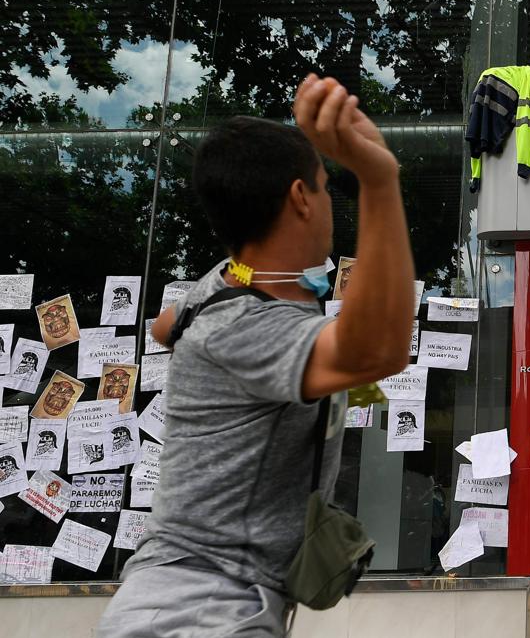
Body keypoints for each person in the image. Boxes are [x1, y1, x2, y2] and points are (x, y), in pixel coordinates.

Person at [96, 74, 414, 638]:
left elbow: (164, 326)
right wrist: (378, 179)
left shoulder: (221, 288)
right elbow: (378, 351)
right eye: (324, 187)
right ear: (300, 198)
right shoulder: (241, 324)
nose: (328, 201)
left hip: (192, 600)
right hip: (199, 611)